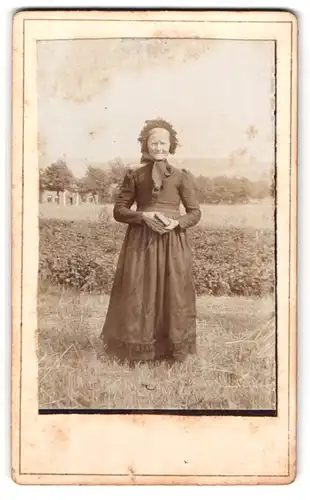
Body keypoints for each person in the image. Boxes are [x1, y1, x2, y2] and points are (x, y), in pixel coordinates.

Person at [100, 118, 201, 362]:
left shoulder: (180, 177)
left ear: (171, 145)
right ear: (146, 145)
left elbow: (195, 212)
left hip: (172, 243)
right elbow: (119, 210)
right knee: (139, 291)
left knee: (173, 292)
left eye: (163, 143)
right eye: (153, 143)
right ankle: (136, 349)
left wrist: (177, 222)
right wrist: (143, 216)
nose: (158, 148)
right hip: (141, 242)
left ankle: (169, 350)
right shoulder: (135, 176)